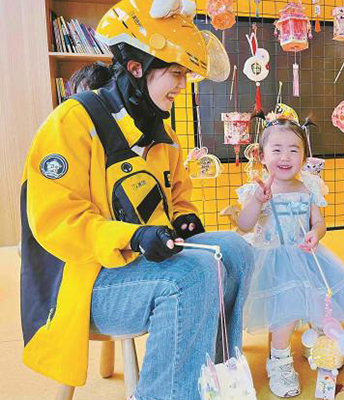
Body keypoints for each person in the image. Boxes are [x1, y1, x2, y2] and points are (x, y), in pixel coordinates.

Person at [19, 1, 253, 400]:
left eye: (186, 74)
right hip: (84, 283)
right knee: (192, 276)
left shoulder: (164, 135)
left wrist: (184, 220)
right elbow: (56, 222)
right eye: (176, 73)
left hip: (141, 264)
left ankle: (212, 377)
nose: (183, 84)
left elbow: (178, 197)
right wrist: (132, 236)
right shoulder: (72, 122)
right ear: (136, 68)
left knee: (235, 249)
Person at [235, 116, 344, 398]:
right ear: (262, 156)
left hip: (306, 256)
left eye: (293, 150)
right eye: (276, 150)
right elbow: (244, 225)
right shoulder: (259, 190)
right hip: (272, 263)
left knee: (321, 301)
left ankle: (320, 343)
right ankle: (279, 361)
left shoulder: (308, 187)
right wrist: (257, 201)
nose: (285, 157)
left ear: (304, 156)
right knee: (285, 310)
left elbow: (319, 222)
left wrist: (316, 234)